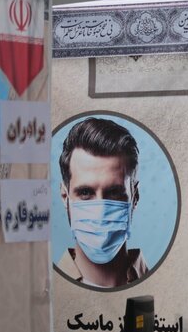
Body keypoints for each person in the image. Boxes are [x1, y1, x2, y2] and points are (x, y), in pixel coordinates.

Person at [55, 117, 148, 288]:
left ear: (135, 197)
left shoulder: (167, 286)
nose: (100, 212)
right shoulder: (42, 288)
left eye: (114, 192)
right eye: (85, 192)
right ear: (65, 197)